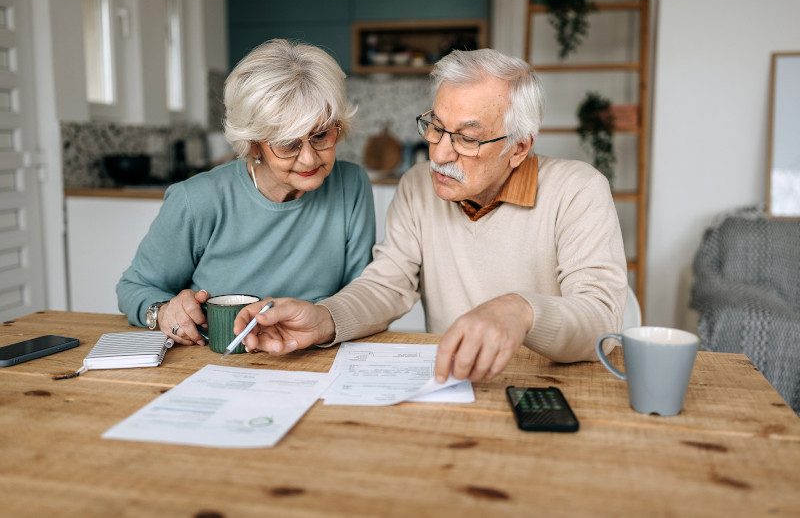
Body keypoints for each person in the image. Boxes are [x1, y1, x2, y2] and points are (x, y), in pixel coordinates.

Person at [234, 48, 627, 383]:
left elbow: (601, 321)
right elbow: (387, 287)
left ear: (519, 148)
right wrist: (323, 318)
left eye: (468, 139)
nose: (438, 154)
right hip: (453, 382)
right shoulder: (418, 187)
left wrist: (520, 310)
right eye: (436, 127)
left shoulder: (578, 190)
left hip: (553, 385)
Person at [116, 39, 375, 345]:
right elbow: (135, 287)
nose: (309, 158)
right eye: (288, 142)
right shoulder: (197, 200)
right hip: (214, 362)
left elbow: (363, 296)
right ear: (254, 144)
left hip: (312, 357)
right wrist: (162, 312)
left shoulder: (351, 185)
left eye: (321, 135)